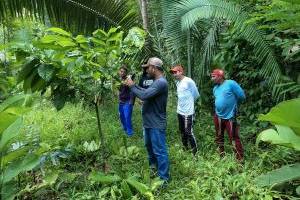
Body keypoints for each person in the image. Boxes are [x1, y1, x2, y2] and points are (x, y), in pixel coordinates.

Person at [125, 57, 169, 182]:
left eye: (148, 67)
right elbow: (145, 91)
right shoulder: (155, 81)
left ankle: (164, 179)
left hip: (156, 123)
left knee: (160, 151)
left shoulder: (161, 82)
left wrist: (132, 86)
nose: (146, 70)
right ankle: (153, 170)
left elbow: (144, 95)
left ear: (154, 68)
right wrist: (133, 86)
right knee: (150, 149)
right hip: (149, 123)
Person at [211, 69, 246, 161]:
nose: (212, 78)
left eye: (214, 76)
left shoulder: (231, 83)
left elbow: (242, 96)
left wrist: (234, 105)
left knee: (234, 138)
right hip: (218, 116)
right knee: (219, 136)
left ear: (220, 76)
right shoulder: (215, 88)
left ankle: (239, 160)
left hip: (230, 116)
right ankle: (221, 155)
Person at [170, 65, 200, 155]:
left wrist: (190, 103)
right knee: (182, 131)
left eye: (176, 72)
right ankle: (185, 148)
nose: (174, 74)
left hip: (188, 112)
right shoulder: (177, 82)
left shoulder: (188, 81)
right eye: (173, 73)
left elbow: (196, 94)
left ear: (181, 72)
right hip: (180, 111)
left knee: (189, 132)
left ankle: (195, 153)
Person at [118, 65, 135, 137]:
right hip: (121, 101)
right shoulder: (118, 80)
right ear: (119, 72)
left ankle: (130, 133)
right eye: (121, 71)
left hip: (128, 101)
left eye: (124, 72)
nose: (122, 73)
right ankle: (125, 129)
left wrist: (132, 101)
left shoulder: (128, 79)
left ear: (126, 73)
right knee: (122, 117)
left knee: (127, 116)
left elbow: (133, 90)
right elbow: (119, 90)